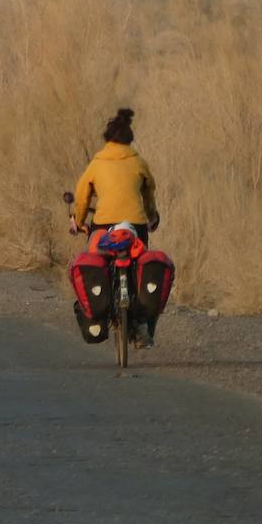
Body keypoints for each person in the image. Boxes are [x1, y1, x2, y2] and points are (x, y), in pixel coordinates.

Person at [70, 107, 162, 346]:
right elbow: (149, 192)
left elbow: (82, 197)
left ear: (107, 139)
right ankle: (141, 325)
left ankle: (97, 315)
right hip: (135, 226)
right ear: (129, 140)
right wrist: (152, 217)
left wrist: (78, 221)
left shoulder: (97, 163)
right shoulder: (138, 162)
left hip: (103, 226)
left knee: (96, 262)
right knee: (139, 265)